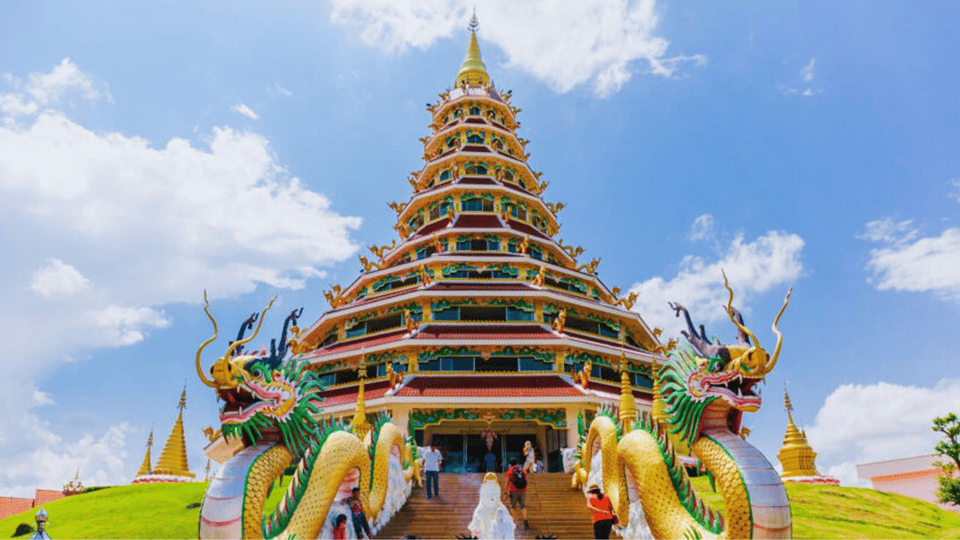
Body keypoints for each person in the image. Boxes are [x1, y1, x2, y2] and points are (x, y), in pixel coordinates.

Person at [505, 457, 529, 529]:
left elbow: (507, 482)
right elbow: (525, 480)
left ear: (510, 464)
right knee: (523, 506)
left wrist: (505, 492)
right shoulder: (522, 470)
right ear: (516, 463)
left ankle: (515, 522)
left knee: (512, 507)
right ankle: (525, 521)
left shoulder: (510, 470)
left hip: (514, 490)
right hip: (523, 490)